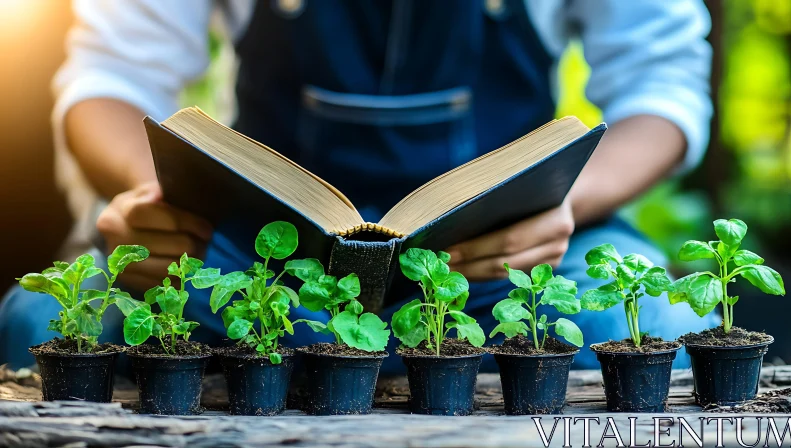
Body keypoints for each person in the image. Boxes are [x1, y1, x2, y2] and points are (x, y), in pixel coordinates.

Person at [0, 0, 718, 371]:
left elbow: (664, 88)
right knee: (49, 324)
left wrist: (565, 203)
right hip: (256, 265)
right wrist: (151, 198)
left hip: (521, 260)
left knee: (657, 328)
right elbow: (110, 80)